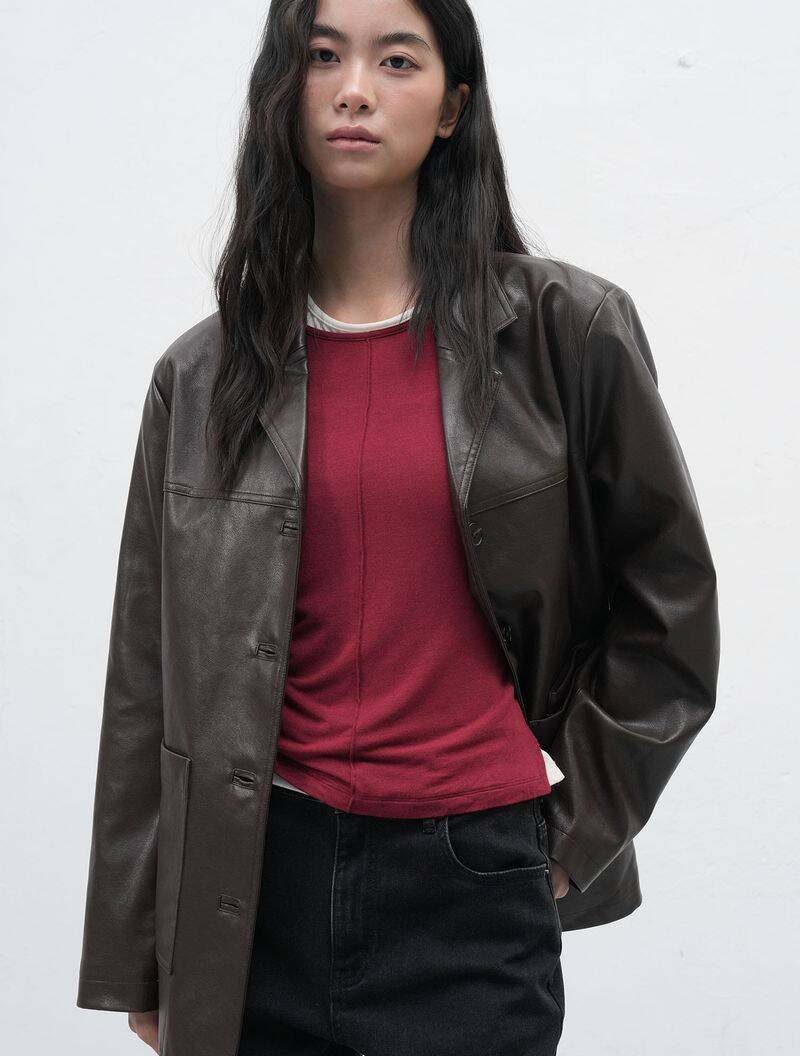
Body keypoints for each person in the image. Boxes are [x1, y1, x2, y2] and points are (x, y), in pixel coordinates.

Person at [75, 2, 721, 1054]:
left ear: (453, 105)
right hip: (254, 893)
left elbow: (670, 608)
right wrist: (138, 949)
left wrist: (566, 844)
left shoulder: (564, 333)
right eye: (322, 56)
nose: (354, 90)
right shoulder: (199, 377)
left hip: (472, 890)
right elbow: (145, 679)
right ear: (282, 92)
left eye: (397, 59)